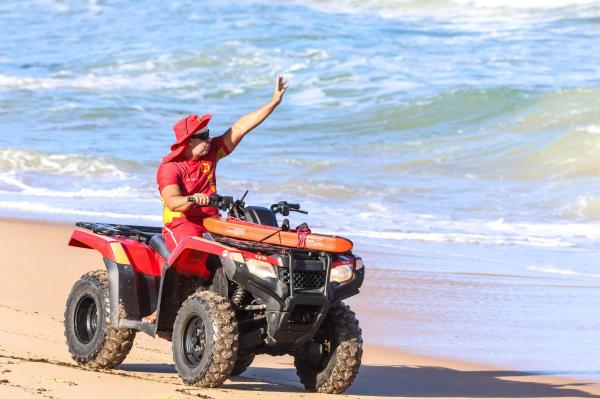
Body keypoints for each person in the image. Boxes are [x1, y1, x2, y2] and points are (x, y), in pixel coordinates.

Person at [143, 76, 288, 324]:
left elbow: (241, 127)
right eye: (204, 135)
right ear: (188, 142)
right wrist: (192, 198)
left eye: (209, 133)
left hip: (211, 220)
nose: (210, 138)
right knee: (192, 252)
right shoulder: (170, 168)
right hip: (182, 222)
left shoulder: (211, 153)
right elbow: (172, 201)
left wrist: (273, 102)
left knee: (243, 248)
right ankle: (164, 309)